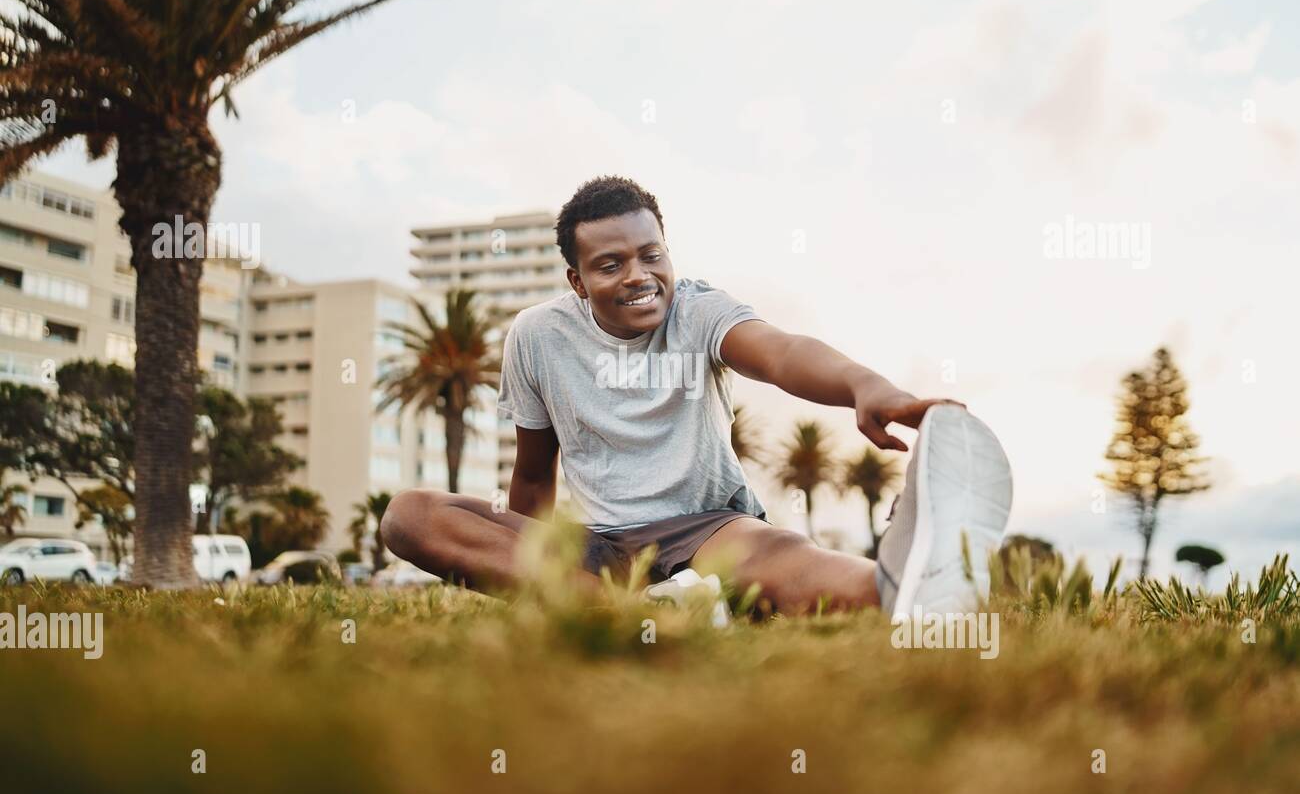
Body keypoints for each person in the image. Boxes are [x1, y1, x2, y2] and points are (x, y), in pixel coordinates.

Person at [382, 176, 1012, 617]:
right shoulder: (538, 336)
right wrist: (531, 566)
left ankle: (908, 576)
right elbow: (533, 473)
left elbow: (782, 353)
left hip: (713, 531)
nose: (638, 277)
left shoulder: (699, 310)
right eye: (610, 266)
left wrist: (864, 386)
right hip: (597, 547)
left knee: (825, 579)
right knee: (408, 516)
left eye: (650, 254)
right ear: (577, 280)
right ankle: (641, 614)